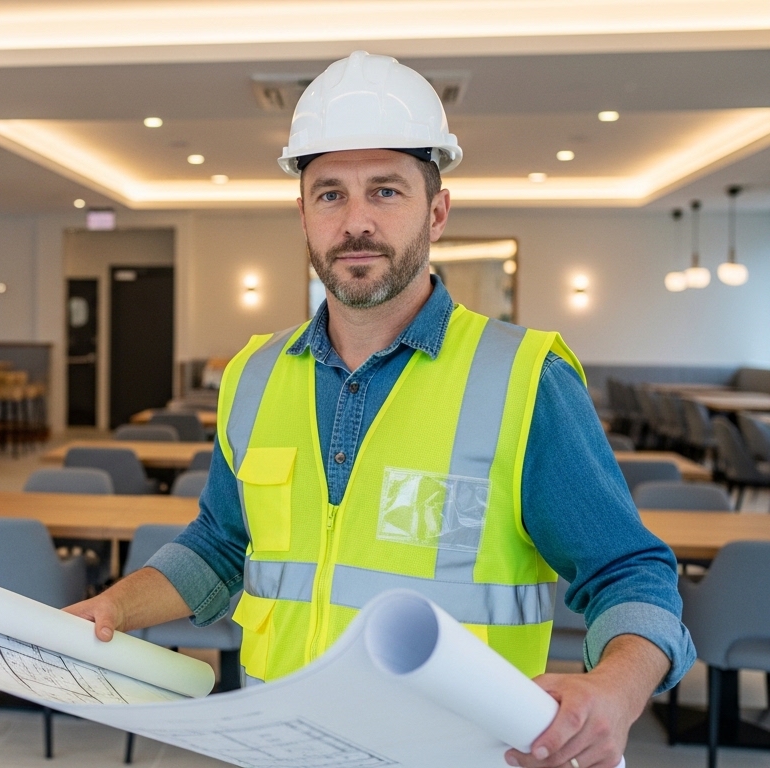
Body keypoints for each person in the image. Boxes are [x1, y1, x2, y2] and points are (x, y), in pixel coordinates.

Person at [65, 51, 692, 768]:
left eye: (386, 191)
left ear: (438, 210)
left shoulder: (524, 378)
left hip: (459, 754)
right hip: (281, 749)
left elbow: (630, 571)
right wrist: (114, 606)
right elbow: (220, 545)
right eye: (330, 194)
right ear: (302, 213)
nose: (356, 222)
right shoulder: (253, 376)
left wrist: (614, 689)